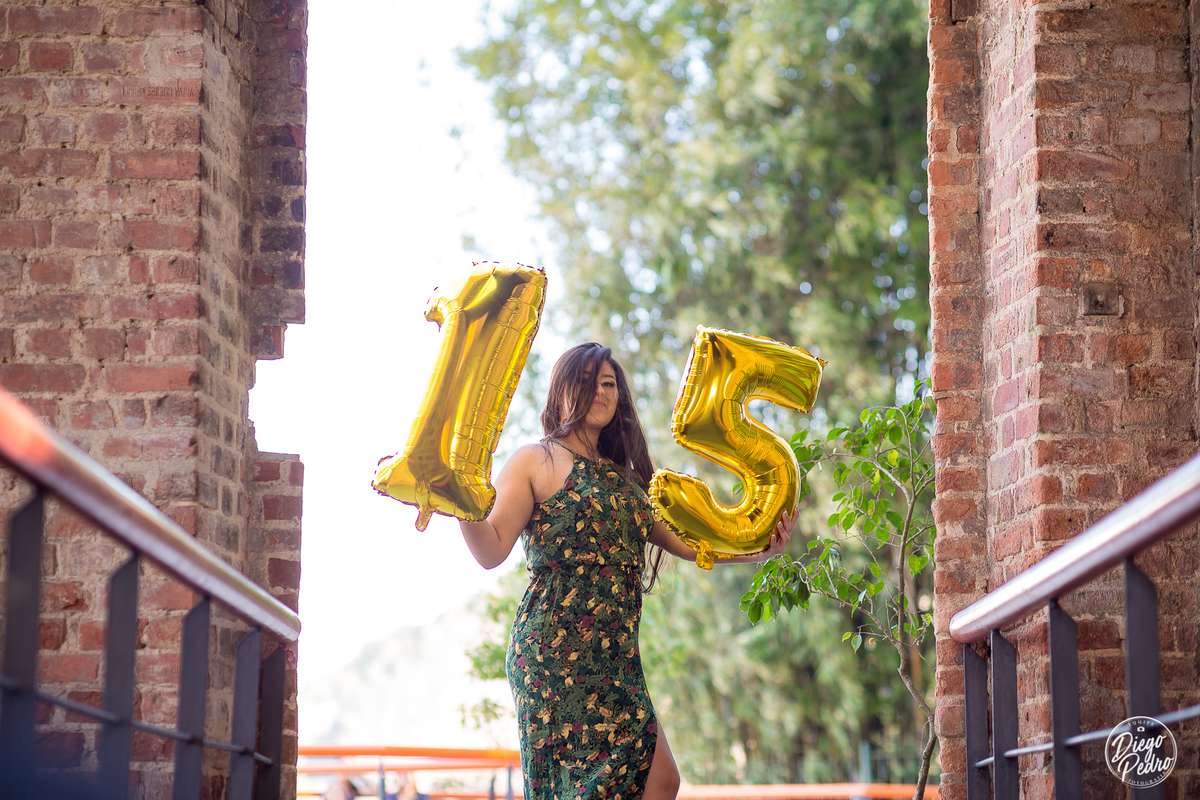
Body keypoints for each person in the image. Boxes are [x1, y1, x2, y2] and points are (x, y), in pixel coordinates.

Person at [458, 343, 796, 800]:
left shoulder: (628, 480)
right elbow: (491, 549)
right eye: (588, 380)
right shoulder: (535, 460)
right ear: (561, 390)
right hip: (555, 652)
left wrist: (759, 547)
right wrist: (462, 504)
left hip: (616, 658)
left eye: (608, 383)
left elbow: (690, 543)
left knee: (661, 780)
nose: (600, 391)